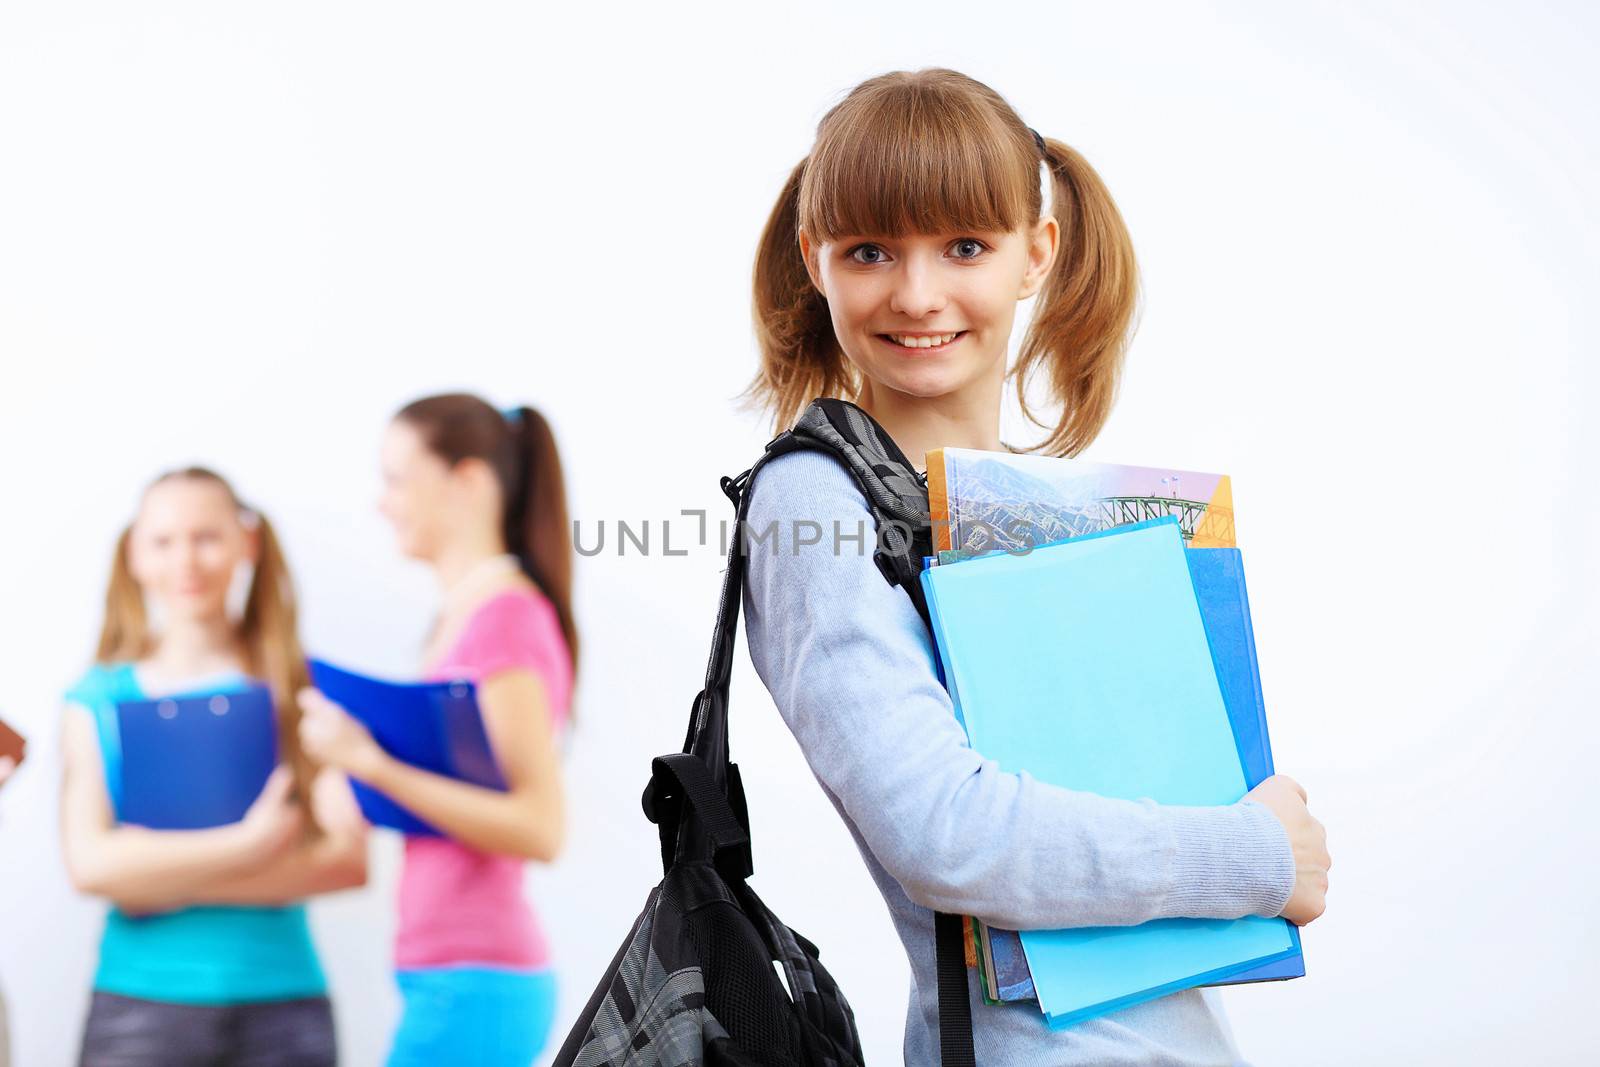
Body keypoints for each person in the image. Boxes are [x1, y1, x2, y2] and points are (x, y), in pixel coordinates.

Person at [739, 68, 1332, 1065]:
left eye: (963, 245)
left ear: (1035, 252)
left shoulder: (1025, 503)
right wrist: (1255, 854)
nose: (917, 293)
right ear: (815, 259)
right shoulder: (814, 499)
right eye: (869, 250)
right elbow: (943, 829)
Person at [298, 394, 576, 1067]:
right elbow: (462, 797)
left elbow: (539, 826)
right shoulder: (463, 617)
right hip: (449, 972)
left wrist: (371, 765)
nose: (381, 502)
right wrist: (358, 788)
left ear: (469, 482)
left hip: (477, 977)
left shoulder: (504, 620)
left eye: (396, 478)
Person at [60, 467, 368, 1067]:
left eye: (206, 537)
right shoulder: (97, 698)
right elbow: (90, 867)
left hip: (283, 1008)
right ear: (135, 555)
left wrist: (152, 876)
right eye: (163, 541)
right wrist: (253, 844)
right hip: (138, 1009)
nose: (186, 561)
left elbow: (346, 861)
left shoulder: (297, 688)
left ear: (246, 543)